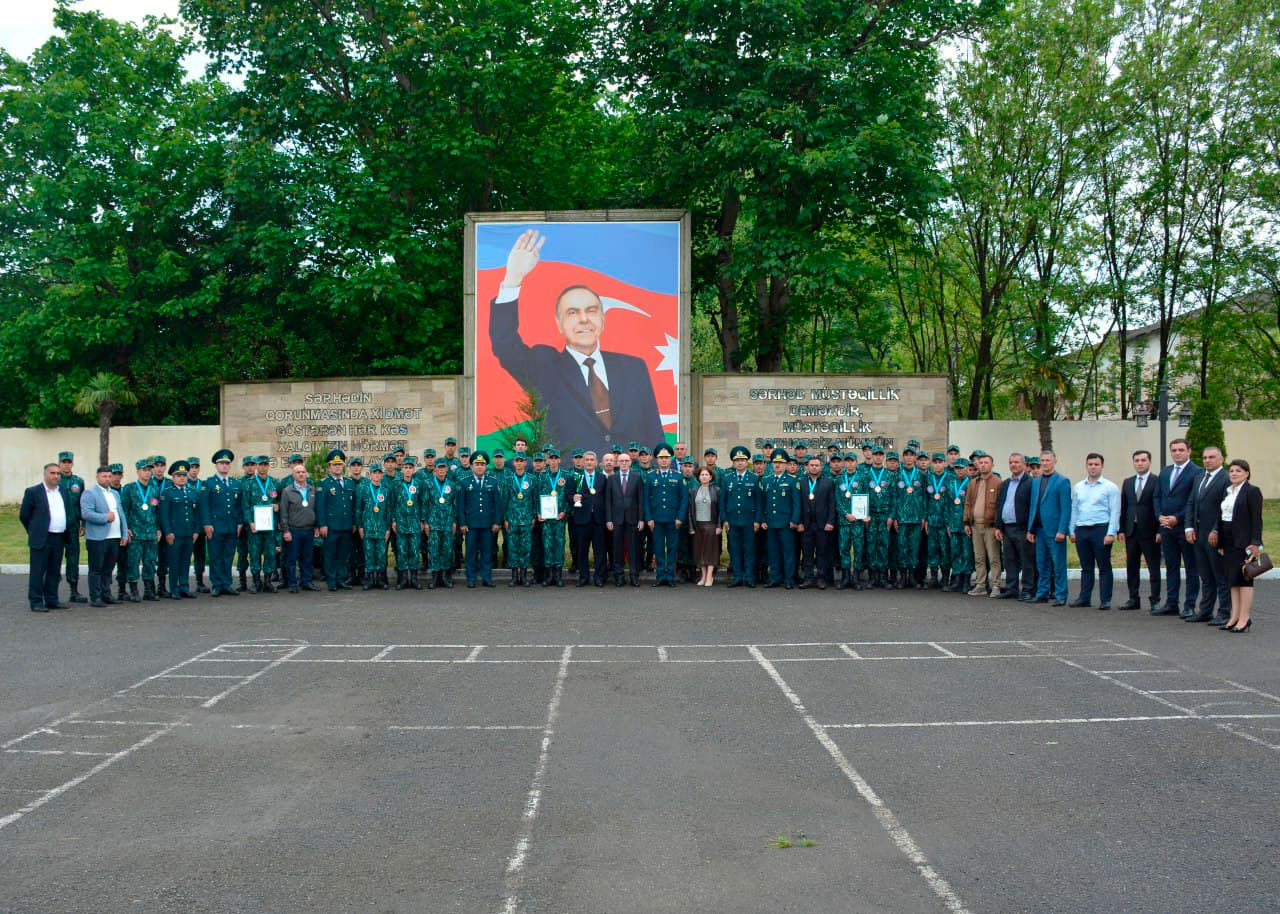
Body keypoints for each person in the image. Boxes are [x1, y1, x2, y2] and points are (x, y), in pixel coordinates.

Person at [488, 229, 664, 453]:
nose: (583, 319)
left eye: (591, 311)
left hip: (628, 481)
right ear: (559, 323)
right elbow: (505, 345)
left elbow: (654, 430)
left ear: (602, 319)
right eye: (572, 312)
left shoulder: (634, 367)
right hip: (575, 481)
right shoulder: (545, 366)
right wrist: (513, 278)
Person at [1209, 458, 1263, 632]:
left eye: (1238, 471)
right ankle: (1235, 616)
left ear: (1246, 473)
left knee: (1244, 579)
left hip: (1245, 542)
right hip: (1228, 541)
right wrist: (1220, 540)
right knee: (1232, 579)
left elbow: (1257, 520)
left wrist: (1255, 543)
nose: (1234, 474)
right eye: (1231, 471)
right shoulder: (1228, 492)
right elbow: (1222, 517)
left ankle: (1245, 618)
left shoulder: (1252, 491)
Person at [1152, 438, 1202, 616]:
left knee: (1191, 568)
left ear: (1189, 451)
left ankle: (1189, 605)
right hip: (1166, 528)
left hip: (1186, 528)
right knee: (1171, 567)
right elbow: (1157, 497)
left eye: (1181, 450)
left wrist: (1177, 518)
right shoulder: (1165, 472)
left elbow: (1194, 501)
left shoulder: (1197, 472)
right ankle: (1171, 603)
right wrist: (1160, 516)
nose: (1177, 453)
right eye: (1174, 450)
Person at [1068, 453, 1121, 609]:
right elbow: (1074, 509)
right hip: (1082, 529)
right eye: (1090, 464)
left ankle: (1105, 600)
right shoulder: (1078, 487)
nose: (1093, 467)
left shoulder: (1110, 487)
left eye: (1096, 464)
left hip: (1101, 529)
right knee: (1086, 567)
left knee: (1104, 566)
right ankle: (1084, 598)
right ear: (1086, 465)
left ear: (1102, 466)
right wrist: (1072, 530)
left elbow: (1115, 511)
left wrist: (1111, 533)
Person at [1185, 446, 1230, 624]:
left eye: (1211, 457)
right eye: (1204, 458)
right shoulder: (1199, 478)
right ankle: (1205, 610)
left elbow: (1225, 508)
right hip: (1198, 534)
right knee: (1205, 575)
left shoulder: (1226, 478)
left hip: (1214, 534)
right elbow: (1190, 503)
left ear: (1221, 459)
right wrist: (1188, 527)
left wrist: (1217, 529)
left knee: (1220, 575)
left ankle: (1224, 612)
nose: (1207, 460)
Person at [21, 463, 71, 612]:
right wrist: (35, 531)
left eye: (58, 474)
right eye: (52, 473)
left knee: (54, 571)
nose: (56, 476)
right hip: (42, 538)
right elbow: (24, 515)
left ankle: (51, 599)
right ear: (45, 474)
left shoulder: (63, 492)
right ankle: (36, 601)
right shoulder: (33, 492)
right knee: (38, 571)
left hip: (59, 537)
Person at [81, 465, 131, 607]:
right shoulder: (90, 493)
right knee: (96, 568)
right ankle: (95, 597)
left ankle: (106, 593)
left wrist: (124, 532)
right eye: (104, 476)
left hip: (114, 537)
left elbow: (121, 514)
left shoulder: (114, 494)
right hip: (97, 538)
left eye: (109, 476)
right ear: (97, 477)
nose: (107, 478)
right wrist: (105, 517)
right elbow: (86, 513)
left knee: (108, 568)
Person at [1118, 449, 1161, 611]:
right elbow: (1124, 506)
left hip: (1150, 531)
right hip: (1131, 531)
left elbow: (1159, 506)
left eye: (1143, 460)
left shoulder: (1156, 481)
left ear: (1149, 462)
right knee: (1132, 566)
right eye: (1137, 460)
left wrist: (1159, 530)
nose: (1140, 463)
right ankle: (1133, 598)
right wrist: (1121, 529)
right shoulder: (1128, 482)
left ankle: (1155, 600)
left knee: (1153, 567)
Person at [1028, 449, 1071, 606]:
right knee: (1042, 564)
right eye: (1043, 461)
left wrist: (1062, 530)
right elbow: (1034, 506)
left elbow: (1066, 508)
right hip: (1039, 529)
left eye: (1048, 460)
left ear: (1055, 461)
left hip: (1055, 531)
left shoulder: (1062, 481)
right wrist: (1030, 529)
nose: (1045, 463)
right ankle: (1042, 593)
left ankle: (1060, 595)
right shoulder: (1036, 481)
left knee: (1058, 564)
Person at [200, 449, 243, 597]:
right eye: (221, 463)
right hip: (215, 527)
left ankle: (227, 583)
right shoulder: (209, 483)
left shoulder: (235, 483)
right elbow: (204, 506)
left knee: (228, 556)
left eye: (227, 463)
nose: (224, 466)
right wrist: (206, 524)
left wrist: (239, 523)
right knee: (216, 556)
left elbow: (239, 506)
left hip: (231, 526)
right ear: (216, 465)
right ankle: (217, 584)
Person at [643, 443, 687, 586]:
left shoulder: (678, 476)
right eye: (661, 457)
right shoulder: (650, 477)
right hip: (656, 520)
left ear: (670, 459)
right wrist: (649, 518)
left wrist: (680, 517)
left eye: (666, 458)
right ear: (656, 459)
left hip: (673, 520)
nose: (664, 460)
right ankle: (661, 576)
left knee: (673, 548)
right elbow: (646, 500)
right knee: (659, 548)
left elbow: (684, 499)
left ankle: (671, 577)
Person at [458, 451, 503, 588]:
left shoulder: (493, 482)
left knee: (486, 552)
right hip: (471, 525)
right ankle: (471, 579)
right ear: (472, 466)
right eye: (477, 464)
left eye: (482, 464)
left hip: (488, 525)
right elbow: (460, 505)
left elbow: (497, 504)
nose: (479, 467)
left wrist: (496, 522)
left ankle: (486, 578)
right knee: (470, 552)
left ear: (486, 467)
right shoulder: (464, 482)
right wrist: (463, 523)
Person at [720, 445, 762, 588]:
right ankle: (737, 577)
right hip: (732, 521)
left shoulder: (754, 478)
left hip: (749, 521)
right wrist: (724, 519)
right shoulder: (727, 479)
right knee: (735, 549)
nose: (739, 463)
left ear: (747, 462)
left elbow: (758, 502)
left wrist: (757, 520)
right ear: (733, 462)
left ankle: (749, 577)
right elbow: (723, 502)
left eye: (742, 460)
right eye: (737, 460)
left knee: (749, 549)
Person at [993, 452, 1034, 600]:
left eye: (1017, 462)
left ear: (1024, 465)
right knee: (1009, 559)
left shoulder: (1030, 483)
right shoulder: (1005, 484)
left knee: (1026, 560)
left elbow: (1033, 508)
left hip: (1022, 528)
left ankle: (1028, 589)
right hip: (1007, 528)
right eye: (1011, 462)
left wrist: (1031, 528)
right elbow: (1000, 505)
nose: (1013, 465)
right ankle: (1012, 588)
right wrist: (998, 526)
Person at [315, 450, 356, 591]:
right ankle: (331, 581)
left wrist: (354, 523)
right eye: (334, 465)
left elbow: (352, 506)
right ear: (329, 467)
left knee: (343, 554)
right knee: (330, 554)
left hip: (346, 526)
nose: (337, 467)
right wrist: (322, 525)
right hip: (331, 527)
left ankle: (340, 579)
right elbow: (320, 507)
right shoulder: (324, 484)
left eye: (340, 464)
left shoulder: (349, 483)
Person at [120, 458, 160, 602]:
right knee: (133, 562)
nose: (147, 473)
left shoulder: (154, 489)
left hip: (150, 533)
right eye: (144, 470)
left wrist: (158, 529)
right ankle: (134, 589)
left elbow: (156, 510)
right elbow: (123, 510)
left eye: (149, 470)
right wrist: (126, 529)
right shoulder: (129, 488)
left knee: (150, 562)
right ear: (138, 471)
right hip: (135, 533)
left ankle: (149, 590)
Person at [158, 460, 200, 599]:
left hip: (188, 534)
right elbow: (164, 515)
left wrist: (195, 531)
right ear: (173, 478)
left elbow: (195, 513)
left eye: (184, 475)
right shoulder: (167, 493)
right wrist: (168, 532)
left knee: (185, 561)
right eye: (178, 475)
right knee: (174, 562)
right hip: (174, 534)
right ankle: (174, 588)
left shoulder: (192, 492)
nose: (182, 478)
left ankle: (184, 587)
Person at [963, 450, 1002, 596]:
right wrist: (966, 522)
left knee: (994, 557)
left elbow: (1000, 505)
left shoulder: (998, 482)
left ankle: (996, 585)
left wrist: (999, 525)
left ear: (992, 465)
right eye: (981, 463)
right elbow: (968, 503)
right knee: (979, 557)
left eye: (986, 463)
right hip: (975, 525)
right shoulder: (973, 483)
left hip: (990, 526)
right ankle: (980, 585)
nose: (983, 465)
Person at [761, 449, 800, 589]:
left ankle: (789, 579)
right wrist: (763, 520)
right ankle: (775, 578)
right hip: (771, 522)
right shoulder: (766, 480)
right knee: (773, 552)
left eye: (780, 463)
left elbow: (796, 504)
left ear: (786, 465)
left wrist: (794, 520)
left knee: (788, 552)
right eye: (775, 462)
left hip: (786, 523)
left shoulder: (792, 480)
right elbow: (762, 503)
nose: (777, 465)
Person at [605, 451, 644, 586]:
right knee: (617, 549)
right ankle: (619, 576)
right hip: (616, 520)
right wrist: (609, 519)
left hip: (633, 519)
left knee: (633, 549)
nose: (624, 463)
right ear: (618, 463)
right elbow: (608, 501)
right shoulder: (612, 478)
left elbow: (640, 500)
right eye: (621, 461)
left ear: (630, 463)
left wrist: (641, 519)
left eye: (626, 461)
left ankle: (634, 576)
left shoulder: (637, 477)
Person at [797, 455, 836, 589]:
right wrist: (799, 522)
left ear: (821, 467)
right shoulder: (801, 482)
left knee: (822, 552)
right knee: (807, 553)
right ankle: (808, 578)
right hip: (806, 525)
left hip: (823, 525)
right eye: (811, 465)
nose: (814, 467)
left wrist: (831, 521)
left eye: (816, 465)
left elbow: (832, 504)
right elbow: (798, 505)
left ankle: (821, 578)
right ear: (807, 467)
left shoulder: (828, 482)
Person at [280, 461, 319, 593]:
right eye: (298, 472)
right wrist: (285, 530)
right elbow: (283, 513)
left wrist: (316, 526)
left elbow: (316, 509)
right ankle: (292, 584)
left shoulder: (312, 489)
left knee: (307, 558)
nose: (301, 474)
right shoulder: (287, 491)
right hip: (293, 530)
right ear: (293, 475)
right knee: (291, 559)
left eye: (303, 472)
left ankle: (307, 582)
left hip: (309, 530)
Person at [424, 457, 459, 589]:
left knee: (446, 550)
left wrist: (454, 521)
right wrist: (426, 522)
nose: (441, 470)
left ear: (447, 469)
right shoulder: (428, 484)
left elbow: (454, 505)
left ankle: (444, 577)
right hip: (433, 523)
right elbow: (425, 504)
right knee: (434, 550)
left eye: (443, 467)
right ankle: (434, 578)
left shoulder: (452, 485)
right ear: (435, 469)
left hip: (447, 522)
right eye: (439, 468)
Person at [57, 451, 87, 603]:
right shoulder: (55, 480)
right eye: (64, 462)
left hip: (73, 527)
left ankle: (74, 591)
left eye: (69, 462)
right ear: (59, 463)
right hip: (57, 527)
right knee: (54, 559)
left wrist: (84, 523)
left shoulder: (78, 481)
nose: (66, 464)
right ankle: (52, 591)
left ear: (72, 463)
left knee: (73, 558)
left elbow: (83, 504)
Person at [503, 453, 536, 587]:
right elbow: (505, 500)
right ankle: (514, 576)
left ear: (525, 463)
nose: (519, 463)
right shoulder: (508, 479)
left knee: (525, 548)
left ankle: (523, 576)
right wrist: (505, 518)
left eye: (521, 461)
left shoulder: (532, 479)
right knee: (513, 548)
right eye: (517, 461)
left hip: (527, 519)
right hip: (512, 519)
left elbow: (534, 500)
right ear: (513, 463)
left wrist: (534, 516)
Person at [356, 464, 391, 590]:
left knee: (381, 555)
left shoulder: (386, 490)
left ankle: (380, 580)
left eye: (379, 473)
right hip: (368, 528)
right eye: (374, 473)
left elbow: (388, 511)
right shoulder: (363, 489)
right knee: (369, 554)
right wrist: (360, 526)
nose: (377, 475)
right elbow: (359, 509)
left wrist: (388, 528)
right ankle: (370, 580)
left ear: (382, 475)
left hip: (381, 528)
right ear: (370, 475)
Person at [390, 456, 424, 589]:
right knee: (403, 551)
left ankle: (414, 580)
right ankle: (403, 580)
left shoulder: (419, 484)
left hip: (415, 524)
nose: (408, 470)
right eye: (406, 468)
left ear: (414, 469)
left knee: (415, 551)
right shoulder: (396, 484)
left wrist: (422, 520)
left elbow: (422, 503)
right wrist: (393, 520)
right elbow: (392, 504)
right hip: (401, 524)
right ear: (402, 469)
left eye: (410, 468)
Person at [690, 466, 722, 586]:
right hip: (698, 525)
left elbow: (720, 510)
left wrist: (719, 525)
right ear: (698, 477)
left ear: (711, 477)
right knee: (700, 552)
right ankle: (703, 576)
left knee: (710, 552)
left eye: (706, 475)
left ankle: (710, 577)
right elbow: (690, 510)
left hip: (711, 525)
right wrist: (691, 527)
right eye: (702, 475)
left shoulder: (717, 490)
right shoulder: (693, 491)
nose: (704, 477)